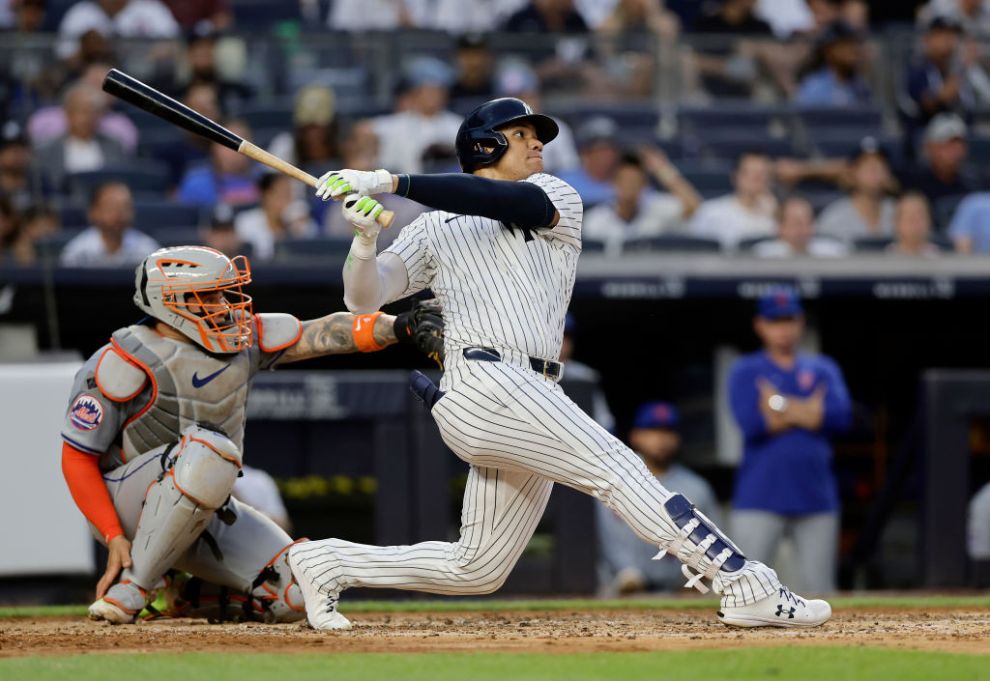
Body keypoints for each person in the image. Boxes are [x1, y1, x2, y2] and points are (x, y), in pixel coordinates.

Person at [287, 96, 833, 631]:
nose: (538, 145)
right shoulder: (432, 228)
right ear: (486, 144)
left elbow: (503, 203)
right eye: (523, 135)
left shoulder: (553, 195)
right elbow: (365, 300)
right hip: (486, 382)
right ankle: (744, 583)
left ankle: (327, 562)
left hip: (531, 388)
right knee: (620, 471)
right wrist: (363, 242)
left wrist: (388, 181)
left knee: (477, 568)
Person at [63, 244, 444, 623]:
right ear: (171, 302)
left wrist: (398, 326)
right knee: (211, 446)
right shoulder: (122, 358)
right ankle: (133, 586)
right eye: (209, 295)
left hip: (205, 507)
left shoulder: (243, 337)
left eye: (226, 293)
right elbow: (77, 458)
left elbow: (321, 334)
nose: (226, 305)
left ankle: (180, 595)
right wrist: (113, 534)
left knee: (297, 592)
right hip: (128, 506)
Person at [728, 289, 851, 595]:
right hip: (759, 497)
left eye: (789, 320)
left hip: (816, 497)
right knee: (746, 590)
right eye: (775, 321)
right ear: (760, 325)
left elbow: (839, 417)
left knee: (819, 592)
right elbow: (753, 424)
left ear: (800, 323)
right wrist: (809, 409)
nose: (783, 328)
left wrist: (779, 405)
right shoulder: (745, 370)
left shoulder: (823, 367)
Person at [597, 401, 721, 595]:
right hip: (617, 590)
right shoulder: (615, 480)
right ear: (635, 436)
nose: (661, 439)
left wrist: (698, 575)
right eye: (653, 430)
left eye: (668, 431)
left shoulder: (697, 488)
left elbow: (714, 545)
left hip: (678, 591)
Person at [583, 149, 701, 255]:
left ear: (643, 185)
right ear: (614, 183)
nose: (629, 186)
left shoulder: (657, 210)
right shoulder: (595, 220)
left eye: (635, 181)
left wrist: (662, 169)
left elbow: (694, 207)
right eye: (625, 180)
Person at [362, 57, 462, 175]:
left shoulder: (457, 124)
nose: (433, 96)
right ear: (415, 93)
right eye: (427, 91)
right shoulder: (399, 123)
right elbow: (365, 129)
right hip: (403, 188)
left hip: (445, 187)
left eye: (438, 91)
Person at [35, 82, 128, 191]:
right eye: (83, 111)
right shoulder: (46, 149)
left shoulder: (113, 145)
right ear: (67, 113)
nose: (89, 117)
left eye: (94, 112)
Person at [689, 151, 777, 251]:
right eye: (749, 173)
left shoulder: (775, 217)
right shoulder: (711, 212)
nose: (756, 178)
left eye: (761, 174)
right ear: (735, 176)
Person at [816, 138, 896, 244]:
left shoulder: (900, 213)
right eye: (866, 166)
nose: (874, 171)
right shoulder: (834, 217)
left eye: (880, 165)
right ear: (852, 173)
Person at [59, 181, 159, 267]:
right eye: (111, 207)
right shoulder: (77, 253)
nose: (119, 213)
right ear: (93, 212)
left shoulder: (148, 250)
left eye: (125, 207)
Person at [56, 0, 180, 62]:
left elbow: (175, 45)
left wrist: (140, 56)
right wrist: (87, 50)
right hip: (94, 76)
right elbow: (63, 55)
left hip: (145, 77)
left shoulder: (150, 8)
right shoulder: (81, 13)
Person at [899, 113, 981, 205]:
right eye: (947, 145)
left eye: (958, 145)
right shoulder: (912, 183)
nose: (954, 152)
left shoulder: (974, 184)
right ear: (929, 148)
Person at [177, 118, 259, 207]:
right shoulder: (196, 183)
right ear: (214, 147)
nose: (236, 151)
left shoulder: (266, 178)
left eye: (243, 144)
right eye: (228, 144)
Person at [234, 173, 317, 261]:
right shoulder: (246, 221)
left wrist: (297, 231)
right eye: (284, 194)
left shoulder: (301, 223)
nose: (289, 200)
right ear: (267, 195)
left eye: (291, 195)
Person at [795, 21, 872, 107]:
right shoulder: (814, 87)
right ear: (828, 50)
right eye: (845, 44)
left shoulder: (859, 85)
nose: (853, 50)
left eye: (854, 44)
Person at [753, 195, 848, 257]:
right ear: (780, 227)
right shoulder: (762, 255)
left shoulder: (833, 252)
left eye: (807, 222)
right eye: (796, 223)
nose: (803, 229)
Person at [558, 116, 622, 206]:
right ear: (585, 153)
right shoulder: (565, 181)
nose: (606, 156)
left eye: (610, 150)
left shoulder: (628, 179)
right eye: (600, 150)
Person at [886, 192, 941, 257]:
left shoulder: (938, 256)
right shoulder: (888, 256)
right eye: (909, 216)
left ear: (929, 220)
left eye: (920, 215)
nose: (915, 221)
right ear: (897, 222)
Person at [450, 33, 496, 101]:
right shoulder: (446, 94)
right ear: (457, 58)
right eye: (468, 56)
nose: (474, 62)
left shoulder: (499, 91)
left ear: (489, 57)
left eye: (479, 55)